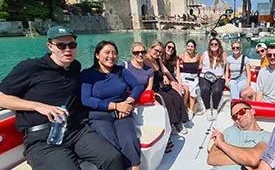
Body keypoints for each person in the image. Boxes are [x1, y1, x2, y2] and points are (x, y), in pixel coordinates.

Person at [0, 26, 123, 170]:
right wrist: (38, 106)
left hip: (75, 130)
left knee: (112, 158)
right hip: (42, 139)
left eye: (71, 45)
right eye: (61, 45)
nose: (67, 49)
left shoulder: (75, 67)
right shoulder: (31, 67)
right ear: (50, 46)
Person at [81, 41, 145, 170]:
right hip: (99, 116)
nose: (111, 56)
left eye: (114, 53)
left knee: (129, 141)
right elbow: (86, 99)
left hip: (122, 114)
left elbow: (138, 86)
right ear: (97, 55)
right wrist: (115, 106)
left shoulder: (121, 71)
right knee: (111, 145)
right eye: (107, 52)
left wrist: (128, 102)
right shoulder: (87, 74)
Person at [208, 101, 271, 169]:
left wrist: (221, 143)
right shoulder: (229, 131)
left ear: (252, 111)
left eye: (242, 112)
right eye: (234, 117)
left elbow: (253, 159)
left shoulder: (267, 136)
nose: (238, 117)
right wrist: (244, 159)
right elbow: (211, 158)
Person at [144, 41, 189, 134]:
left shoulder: (157, 59)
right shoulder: (144, 60)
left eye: (160, 52)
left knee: (176, 95)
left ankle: (180, 122)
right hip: (153, 87)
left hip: (161, 85)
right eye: (156, 50)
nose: (158, 53)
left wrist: (173, 81)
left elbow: (164, 70)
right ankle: (173, 123)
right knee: (168, 99)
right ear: (150, 49)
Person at [199, 38, 228, 121]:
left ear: (219, 45)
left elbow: (226, 67)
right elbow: (199, 65)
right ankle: (208, 109)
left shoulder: (223, 54)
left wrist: (226, 77)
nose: (214, 46)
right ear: (209, 45)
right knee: (204, 89)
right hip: (205, 76)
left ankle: (215, 109)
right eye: (212, 44)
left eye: (216, 44)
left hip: (219, 77)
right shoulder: (205, 54)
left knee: (217, 90)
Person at [176, 39, 200, 118]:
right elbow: (178, 70)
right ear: (186, 47)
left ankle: (191, 110)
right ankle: (183, 109)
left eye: (192, 46)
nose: (190, 48)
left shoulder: (197, 56)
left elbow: (201, 66)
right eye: (188, 46)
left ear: (195, 48)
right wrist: (178, 80)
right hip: (184, 77)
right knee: (185, 89)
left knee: (193, 92)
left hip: (194, 77)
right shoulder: (181, 56)